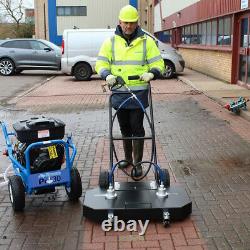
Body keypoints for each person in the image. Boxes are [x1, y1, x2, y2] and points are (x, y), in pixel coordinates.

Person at [95, 5, 164, 177]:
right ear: (120, 22)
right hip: (119, 92)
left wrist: (152, 73)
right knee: (124, 127)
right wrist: (106, 75)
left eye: (132, 23)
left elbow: (158, 63)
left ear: (136, 23)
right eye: (126, 22)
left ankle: (138, 163)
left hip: (139, 94)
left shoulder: (146, 42)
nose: (128, 26)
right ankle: (127, 158)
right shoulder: (110, 42)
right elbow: (101, 63)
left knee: (137, 127)